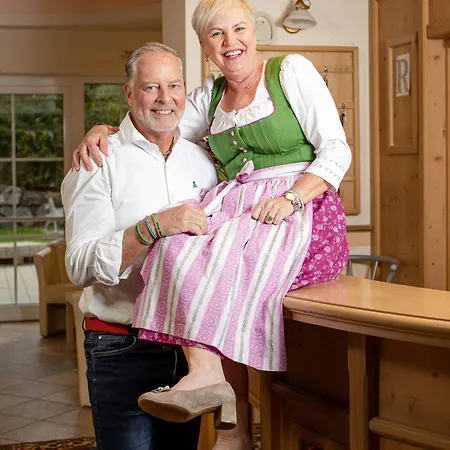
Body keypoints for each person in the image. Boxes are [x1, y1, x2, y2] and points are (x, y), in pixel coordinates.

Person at [72, 1, 352, 448]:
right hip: (239, 216)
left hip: (298, 206)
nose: (230, 42)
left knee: (212, 262)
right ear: (204, 47)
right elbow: (159, 121)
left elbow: (336, 149)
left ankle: (228, 414)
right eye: (216, 34)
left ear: (255, 32)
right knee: (174, 245)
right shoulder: (207, 98)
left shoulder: (290, 71)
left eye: (239, 28)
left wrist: (291, 198)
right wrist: (104, 130)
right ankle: (219, 395)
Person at [61, 42, 218, 450]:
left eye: (174, 85)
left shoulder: (203, 162)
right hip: (120, 346)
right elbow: (79, 266)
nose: (166, 98)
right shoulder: (97, 160)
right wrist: (153, 227)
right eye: (151, 87)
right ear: (130, 94)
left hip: (187, 351)